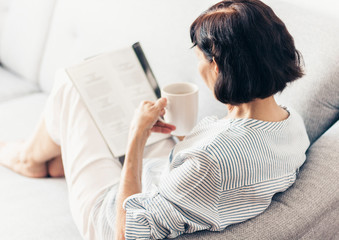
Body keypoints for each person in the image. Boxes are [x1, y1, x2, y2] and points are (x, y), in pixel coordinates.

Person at [0, 0, 310, 239]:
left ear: (217, 68)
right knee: (99, 87)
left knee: (71, 83)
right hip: (165, 175)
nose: (197, 64)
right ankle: (59, 156)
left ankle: (27, 158)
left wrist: (136, 138)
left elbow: (126, 233)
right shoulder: (291, 124)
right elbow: (208, 172)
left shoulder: (210, 160)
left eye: (200, 56)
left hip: (111, 214)